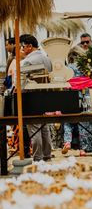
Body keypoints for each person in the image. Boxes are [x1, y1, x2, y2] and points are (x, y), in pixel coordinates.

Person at [63, 45, 92, 156]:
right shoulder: (85, 68)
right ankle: (83, 148)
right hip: (83, 97)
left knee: (67, 121)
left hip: (69, 97)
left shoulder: (67, 68)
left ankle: (67, 141)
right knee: (82, 123)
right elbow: (91, 82)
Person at [19, 34, 53, 162]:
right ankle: (47, 155)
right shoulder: (47, 59)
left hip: (31, 98)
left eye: (23, 47)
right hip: (45, 97)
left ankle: (38, 158)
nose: (22, 49)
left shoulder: (28, 61)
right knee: (44, 127)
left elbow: (22, 82)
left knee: (34, 128)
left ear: (29, 46)